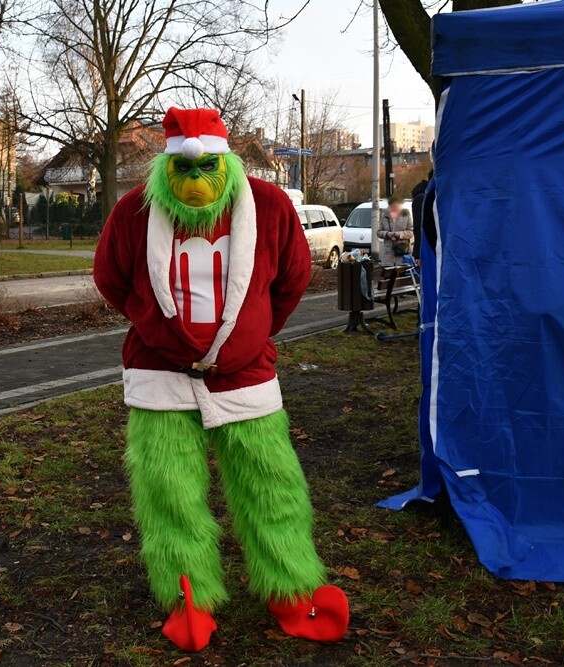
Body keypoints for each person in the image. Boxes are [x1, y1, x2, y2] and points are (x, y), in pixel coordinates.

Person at [93, 107, 349, 652]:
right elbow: (111, 277)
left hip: (245, 374)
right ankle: (189, 596)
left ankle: (290, 584)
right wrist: (156, 327)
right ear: (164, 169)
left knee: (271, 482)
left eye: (208, 167)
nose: (196, 182)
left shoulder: (273, 206)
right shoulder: (133, 212)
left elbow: (293, 278)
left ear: (227, 161)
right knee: (169, 491)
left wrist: (250, 336)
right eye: (182, 171)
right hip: (158, 372)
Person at [376, 196, 413, 266]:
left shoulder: (406, 215)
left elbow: (411, 232)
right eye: (393, 206)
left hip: (402, 254)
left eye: (397, 205)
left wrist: (400, 234)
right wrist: (387, 234)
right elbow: (379, 232)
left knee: (402, 275)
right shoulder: (384, 215)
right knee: (388, 275)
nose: (395, 208)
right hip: (388, 256)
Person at [411, 170, 432, 256]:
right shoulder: (421, 199)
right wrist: (418, 252)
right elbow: (419, 226)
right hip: (427, 248)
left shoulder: (430, 196)